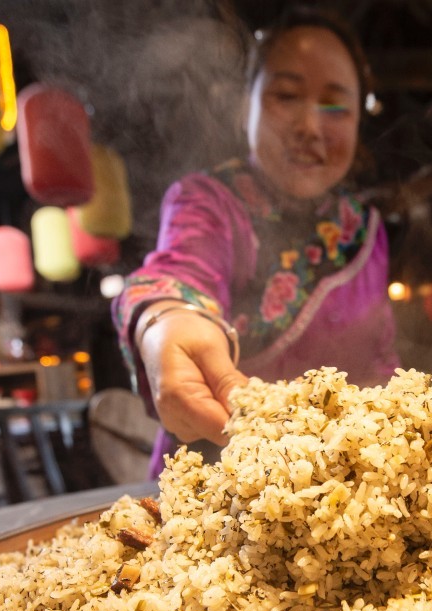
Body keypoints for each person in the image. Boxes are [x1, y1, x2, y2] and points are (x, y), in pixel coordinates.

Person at [112, 5, 400, 478]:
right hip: (216, 473)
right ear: (247, 107)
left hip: (341, 488)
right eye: (286, 95)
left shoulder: (367, 230)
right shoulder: (207, 201)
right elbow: (179, 273)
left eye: (335, 105)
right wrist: (165, 319)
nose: (310, 126)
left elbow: (381, 362)